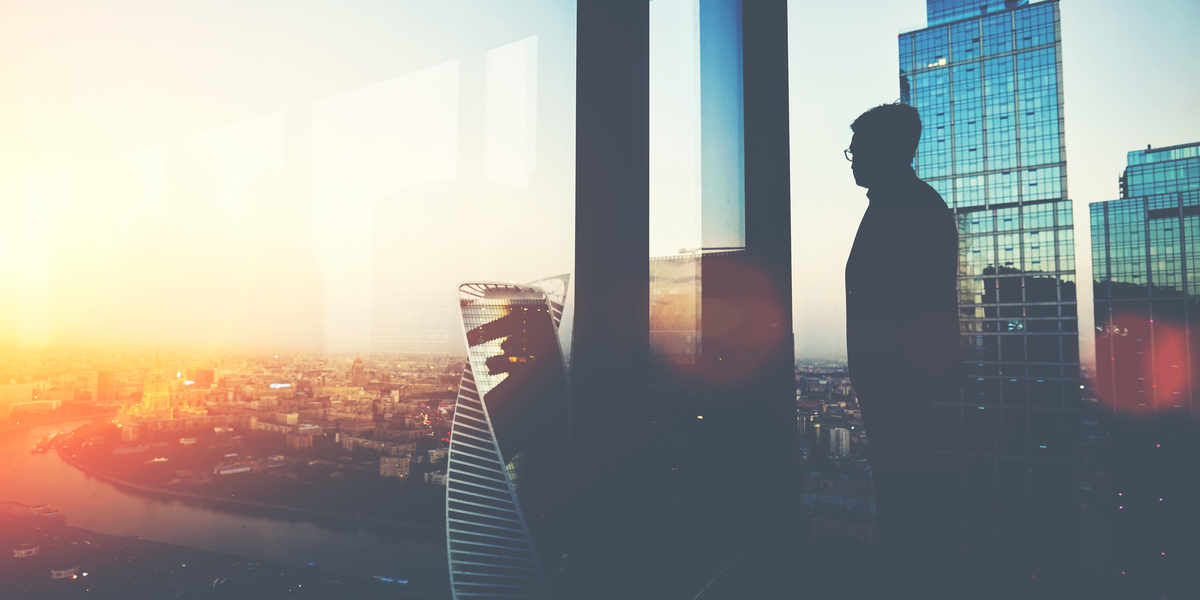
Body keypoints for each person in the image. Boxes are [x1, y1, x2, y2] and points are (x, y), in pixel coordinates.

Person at [844, 103, 962, 597]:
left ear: (887, 151)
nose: (851, 159)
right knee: (904, 510)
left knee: (906, 515)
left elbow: (913, 313)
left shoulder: (907, 209)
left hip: (905, 398)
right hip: (902, 394)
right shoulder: (904, 204)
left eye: (857, 149)